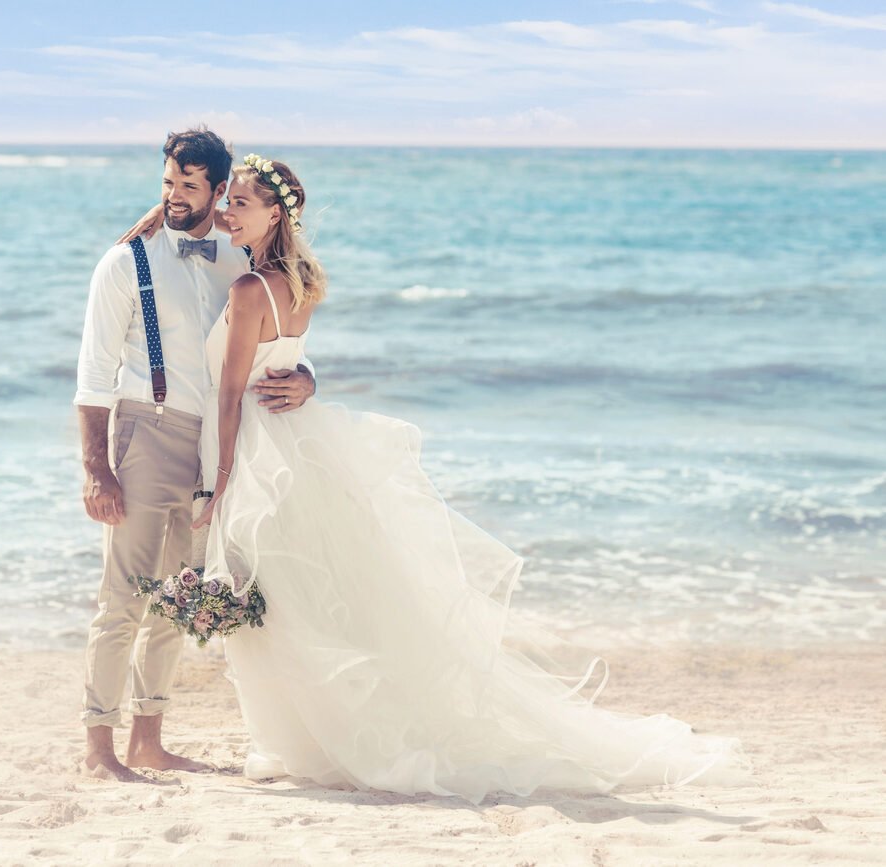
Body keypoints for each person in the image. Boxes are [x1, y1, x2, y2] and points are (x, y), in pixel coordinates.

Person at [124, 154, 752, 801]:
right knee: (303, 601)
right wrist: (304, 377)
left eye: (241, 203)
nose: (228, 211)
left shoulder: (251, 289)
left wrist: (217, 479)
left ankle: (319, 741)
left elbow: (230, 394)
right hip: (292, 447)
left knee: (288, 607)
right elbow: (289, 356)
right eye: (225, 201)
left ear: (274, 213)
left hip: (258, 453)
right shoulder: (295, 279)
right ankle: (309, 739)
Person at [73, 129, 317, 782]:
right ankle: (99, 746)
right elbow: (93, 377)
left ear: (217, 190)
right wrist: (96, 469)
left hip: (213, 446)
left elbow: (265, 340)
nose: (175, 197)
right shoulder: (126, 262)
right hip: (146, 433)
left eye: (189, 185)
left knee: (177, 597)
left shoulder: (237, 259)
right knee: (124, 593)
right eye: (167, 184)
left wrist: (307, 377)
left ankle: (148, 738)